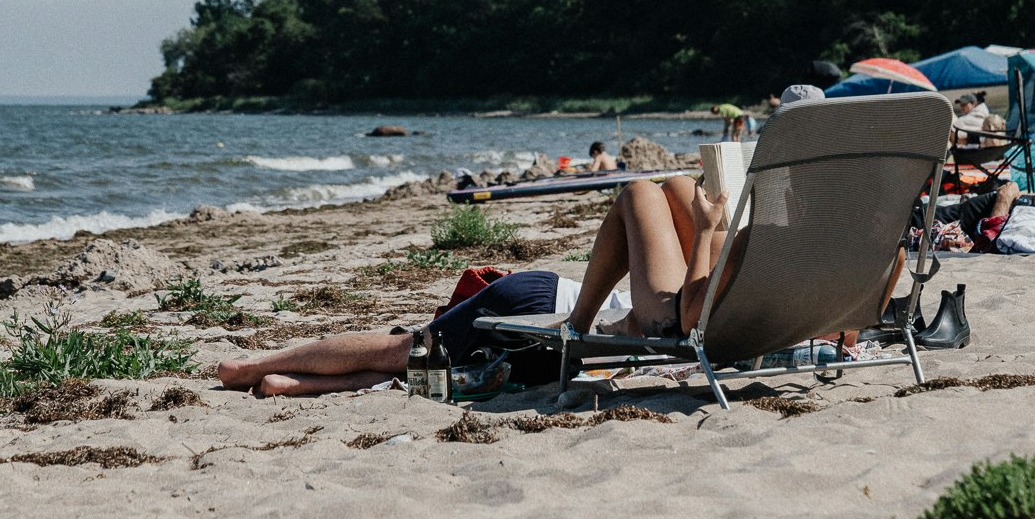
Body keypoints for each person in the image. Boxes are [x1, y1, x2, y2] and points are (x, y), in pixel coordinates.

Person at [216, 174, 739, 397]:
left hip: (553, 312)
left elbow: (690, 318)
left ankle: (266, 371)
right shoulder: (801, 298)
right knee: (421, 360)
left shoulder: (768, 272)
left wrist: (711, 232)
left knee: (415, 355)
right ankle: (278, 376)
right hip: (560, 316)